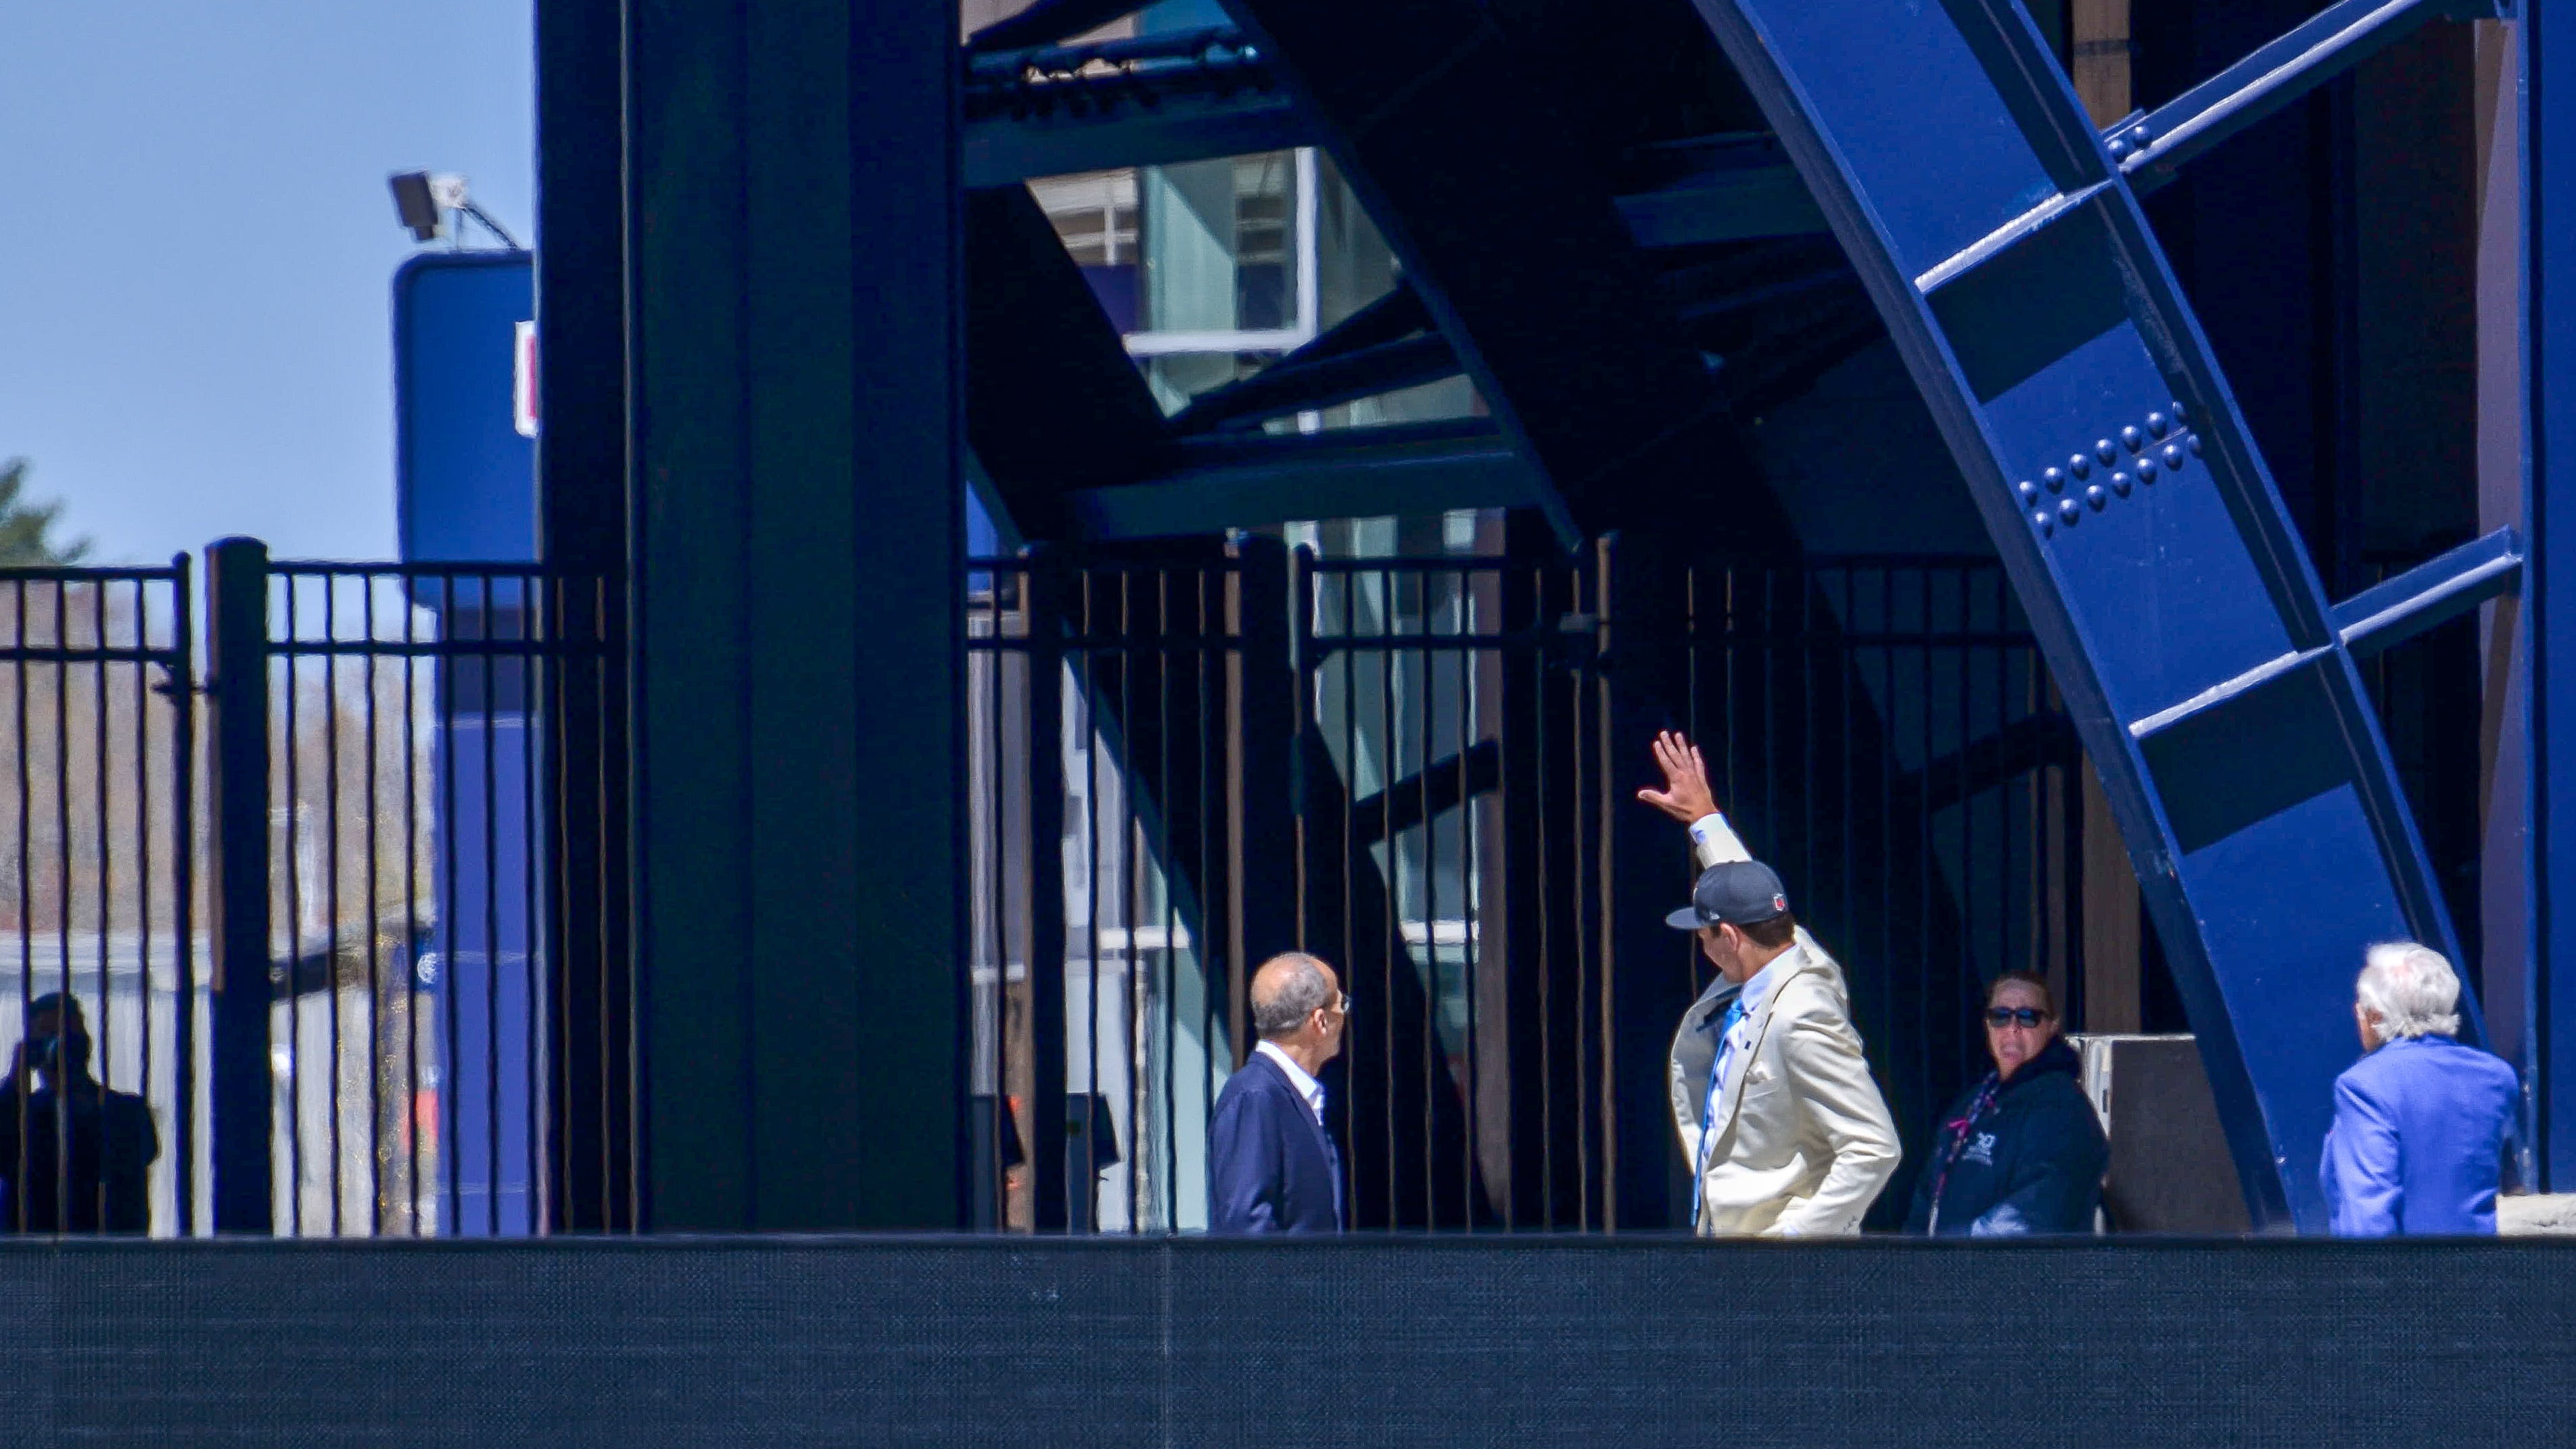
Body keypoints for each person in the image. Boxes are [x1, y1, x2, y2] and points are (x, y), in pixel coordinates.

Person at [1638, 730, 1900, 1235]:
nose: (1701, 946)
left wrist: (1794, 1242)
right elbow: (1745, 885)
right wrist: (1704, 817)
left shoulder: (1803, 1015)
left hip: (1778, 1273)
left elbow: (1874, 1146)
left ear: (1731, 938)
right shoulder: (1793, 948)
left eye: (1704, 933)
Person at [2320, 942, 2517, 1237]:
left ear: (2375, 1016)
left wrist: (2363, 1280)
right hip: (2478, 1270)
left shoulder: (2363, 1086)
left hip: (2404, 1276)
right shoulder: (2496, 1077)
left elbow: (2368, 1213)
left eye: (2360, 1006)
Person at [1903, 971, 2107, 1235]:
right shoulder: (1972, 1103)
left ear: (2052, 1026)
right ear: (1987, 1025)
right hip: (1944, 1270)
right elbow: (1926, 1196)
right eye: (2000, 1016)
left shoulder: (2063, 1107)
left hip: (2019, 1272)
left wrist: (1954, 1255)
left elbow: (2036, 1213)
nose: (2012, 1028)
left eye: (2028, 1017)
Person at [1208, 952, 1347, 1233]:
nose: (1344, 1015)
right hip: (1284, 1279)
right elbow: (1247, 1224)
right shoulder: (1256, 1096)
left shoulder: (1281, 1094)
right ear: (1319, 1021)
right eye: (1341, 1004)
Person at [0, 992, 159, 1233]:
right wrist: (15, 1081)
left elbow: (130, 1161)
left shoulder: (126, 1112)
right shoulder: (22, 1116)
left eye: (71, 1034)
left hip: (110, 1254)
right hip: (33, 1256)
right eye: (50, 1036)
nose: (63, 1044)